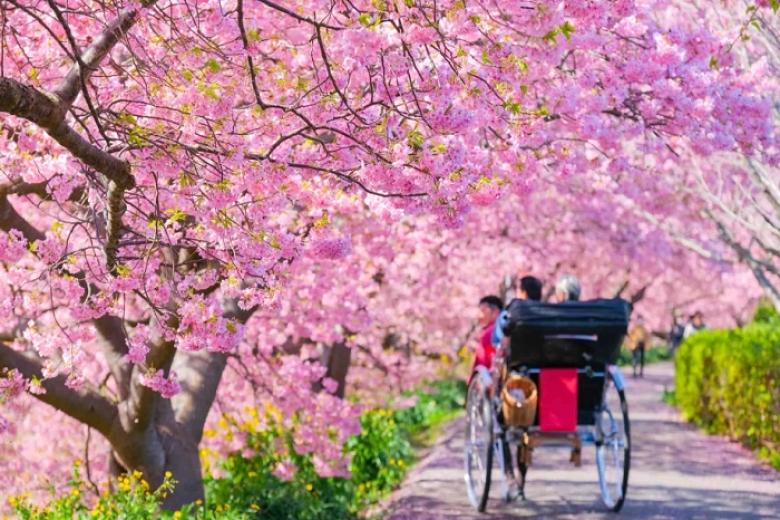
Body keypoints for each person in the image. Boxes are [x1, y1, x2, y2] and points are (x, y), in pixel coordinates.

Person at [492, 275, 543, 348]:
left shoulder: (508, 314)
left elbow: (496, 341)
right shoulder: (546, 313)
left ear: (524, 293)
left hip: (515, 355)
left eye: (517, 289)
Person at [472, 295, 503, 375]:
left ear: (495, 312)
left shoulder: (491, 333)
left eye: (483, 311)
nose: (479, 316)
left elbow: (485, 361)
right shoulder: (493, 331)